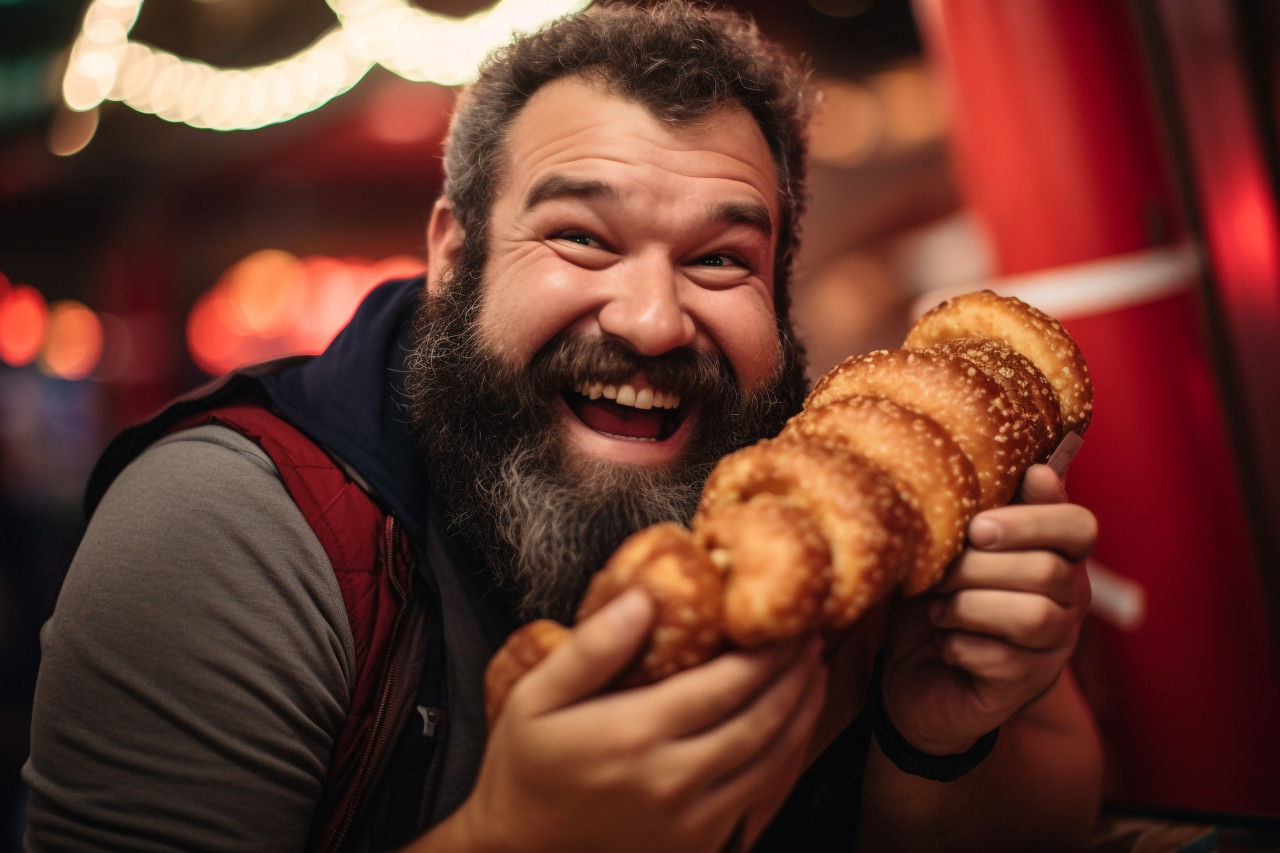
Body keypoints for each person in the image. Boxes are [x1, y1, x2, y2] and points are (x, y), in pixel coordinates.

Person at [23, 1, 1103, 850]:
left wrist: (934, 743)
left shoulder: (853, 518)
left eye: (720, 259)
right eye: (582, 238)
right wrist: (514, 836)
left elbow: (1052, 816)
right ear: (454, 256)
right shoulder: (235, 529)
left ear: (779, 295)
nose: (650, 318)